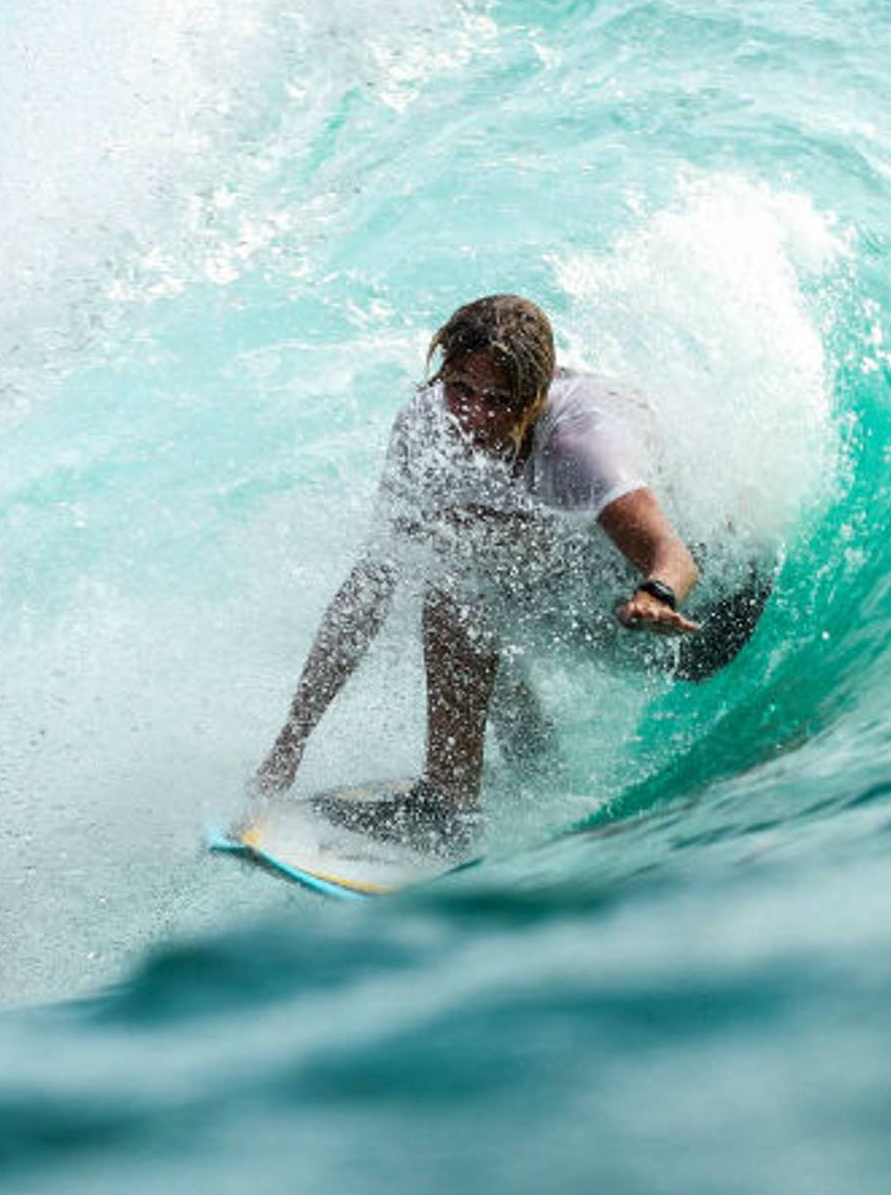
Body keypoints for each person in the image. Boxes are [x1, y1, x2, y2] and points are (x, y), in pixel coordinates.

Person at [246, 294, 771, 856]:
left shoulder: (580, 445)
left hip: (704, 619)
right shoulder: (426, 425)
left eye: (499, 400)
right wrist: (290, 744)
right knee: (449, 547)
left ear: (537, 394)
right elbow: (369, 588)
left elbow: (674, 555)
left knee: (459, 583)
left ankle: (447, 808)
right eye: (461, 390)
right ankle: (534, 764)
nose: (473, 415)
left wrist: (657, 594)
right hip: (604, 597)